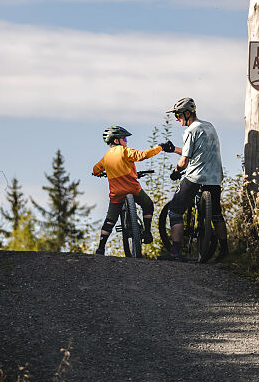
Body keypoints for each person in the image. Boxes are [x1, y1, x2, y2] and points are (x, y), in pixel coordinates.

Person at [160, 97, 228, 262]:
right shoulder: (209, 126)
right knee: (216, 214)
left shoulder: (190, 130)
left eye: (178, 115)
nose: (177, 119)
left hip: (195, 176)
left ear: (187, 113)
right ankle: (224, 249)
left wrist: (176, 171)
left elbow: (185, 161)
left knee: (175, 211)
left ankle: (175, 252)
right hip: (215, 177)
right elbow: (196, 150)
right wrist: (174, 149)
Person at [91, 125, 174, 255]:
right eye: (124, 138)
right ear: (117, 140)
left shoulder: (106, 157)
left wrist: (99, 173)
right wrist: (160, 147)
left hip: (116, 193)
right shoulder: (124, 151)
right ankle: (147, 232)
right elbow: (143, 155)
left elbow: (96, 170)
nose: (126, 141)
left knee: (110, 219)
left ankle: (101, 248)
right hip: (132, 189)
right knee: (148, 204)